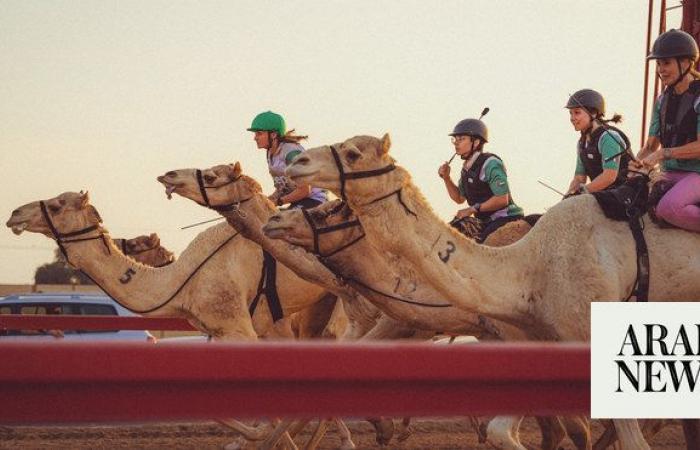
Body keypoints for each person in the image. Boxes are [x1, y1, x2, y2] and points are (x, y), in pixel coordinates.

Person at [634, 29, 700, 232]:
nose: (661, 69)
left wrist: (664, 153)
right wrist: (635, 165)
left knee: (669, 208)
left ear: (687, 63)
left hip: (696, 174)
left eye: (667, 63)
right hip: (670, 172)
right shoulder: (662, 100)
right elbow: (650, 146)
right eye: (659, 63)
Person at [438, 117, 524, 243]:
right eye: (455, 139)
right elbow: (459, 198)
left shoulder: (490, 163)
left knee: (480, 247)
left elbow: (502, 199)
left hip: (505, 218)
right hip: (485, 222)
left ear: (476, 142)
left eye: (461, 139)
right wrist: (446, 178)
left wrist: (471, 209)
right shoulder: (466, 169)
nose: (456, 143)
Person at [247, 110, 327, 209]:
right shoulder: (270, 153)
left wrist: (278, 202)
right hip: (298, 201)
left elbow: (305, 190)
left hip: (315, 200)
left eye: (259, 133)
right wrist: (266, 201)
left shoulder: (291, 153)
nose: (255, 138)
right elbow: (283, 188)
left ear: (273, 135)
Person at [565, 89, 632, 196]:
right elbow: (579, 178)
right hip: (601, 195)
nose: (572, 118)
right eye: (570, 113)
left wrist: (580, 193)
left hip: (622, 196)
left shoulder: (608, 138)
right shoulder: (582, 143)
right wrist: (567, 196)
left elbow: (609, 177)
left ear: (594, 113)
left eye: (577, 113)